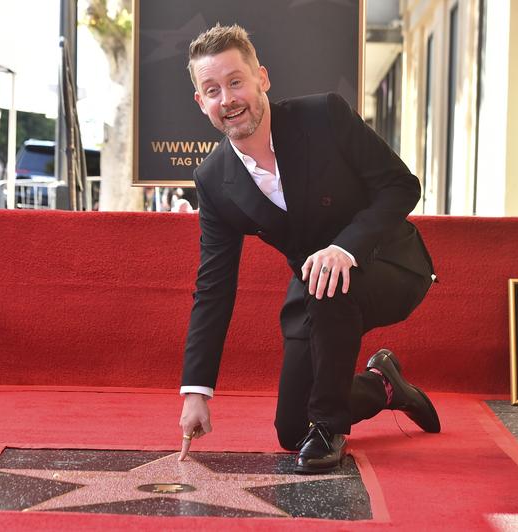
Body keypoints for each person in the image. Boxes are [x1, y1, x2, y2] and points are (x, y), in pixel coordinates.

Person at [178, 24, 440, 474]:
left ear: (262, 78)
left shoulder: (324, 116)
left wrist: (346, 247)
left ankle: (332, 428)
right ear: (202, 102)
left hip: (389, 264)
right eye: (213, 90)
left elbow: (401, 187)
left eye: (236, 81)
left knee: (321, 410)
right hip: (316, 289)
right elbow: (214, 287)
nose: (228, 99)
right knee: (291, 428)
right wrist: (196, 391)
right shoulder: (213, 180)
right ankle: (384, 387)